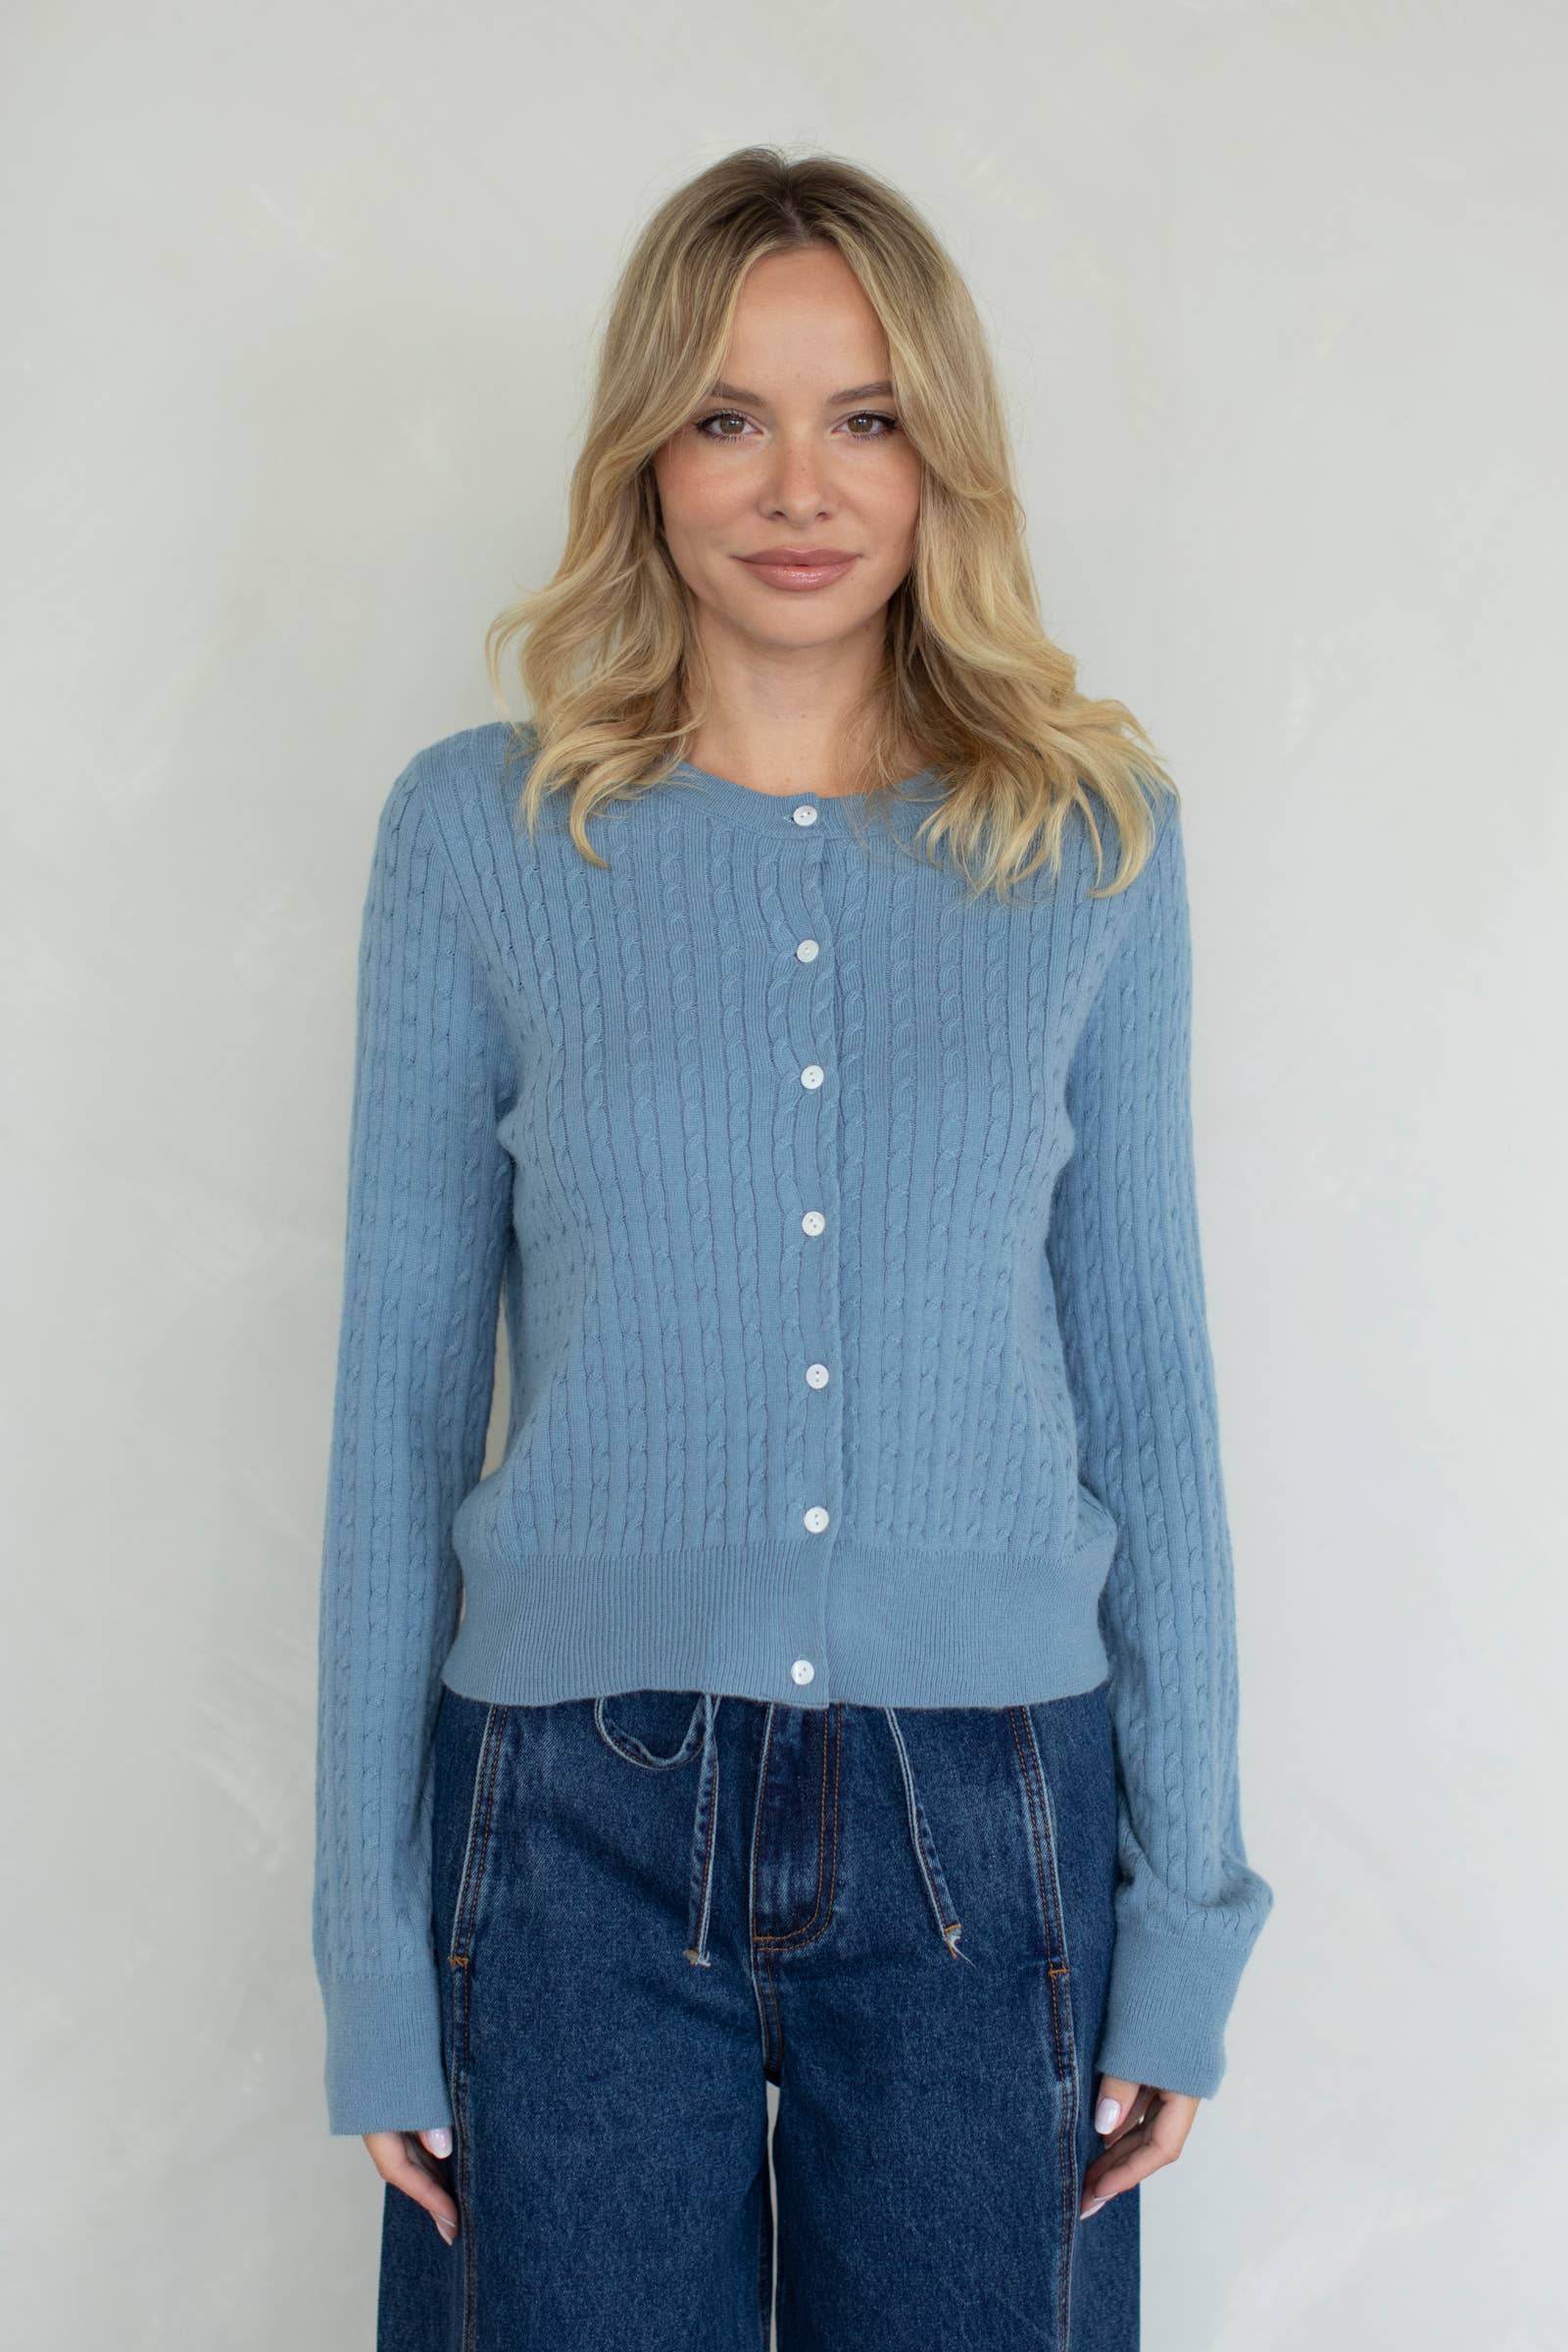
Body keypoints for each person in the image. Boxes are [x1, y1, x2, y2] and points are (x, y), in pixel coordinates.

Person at [311, 145, 1275, 2351]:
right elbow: (395, 1406)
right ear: (646, 453)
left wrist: (1186, 1914)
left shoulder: (1089, 841)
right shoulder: (479, 833)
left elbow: (1149, 1390)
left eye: (865, 418)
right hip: (563, 1823)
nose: (798, 485)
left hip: (993, 1818)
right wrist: (369, 1946)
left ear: (944, 460)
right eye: (729, 415)